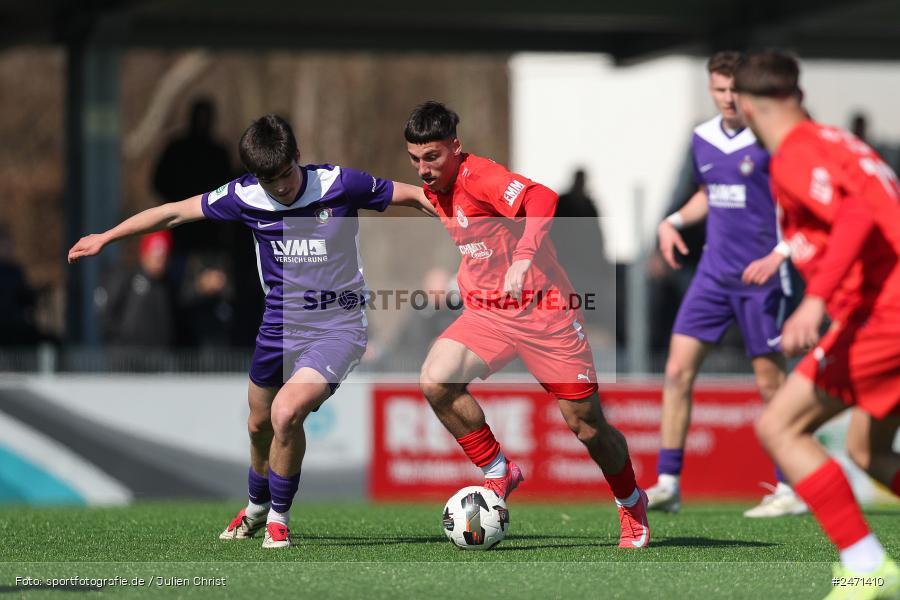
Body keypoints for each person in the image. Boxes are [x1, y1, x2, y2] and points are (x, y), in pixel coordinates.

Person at [69, 114, 435, 549]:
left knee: (286, 413)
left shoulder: (339, 184)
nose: (279, 187)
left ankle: (279, 517)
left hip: (338, 325)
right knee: (260, 423)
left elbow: (412, 194)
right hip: (278, 326)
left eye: (285, 175)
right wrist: (107, 237)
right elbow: (173, 213)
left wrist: (468, 222)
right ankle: (257, 508)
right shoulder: (244, 195)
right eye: (268, 180)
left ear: (297, 157)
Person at [404, 101, 650, 549]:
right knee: (435, 380)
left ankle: (631, 501)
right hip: (488, 314)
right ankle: (499, 472)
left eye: (432, 157)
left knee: (587, 427)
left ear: (455, 148)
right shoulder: (436, 187)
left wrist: (522, 258)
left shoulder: (479, 176)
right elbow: (401, 193)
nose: (423, 169)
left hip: (545, 315)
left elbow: (542, 197)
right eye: (416, 159)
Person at [735, 50, 900, 597]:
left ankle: (866, 564)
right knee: (867, 452)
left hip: (885, 312)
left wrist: (815, 300)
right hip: (881, 308)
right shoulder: (833, 142)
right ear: (798, 96)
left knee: (779, 426)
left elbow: (854, 213)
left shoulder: (795, 155)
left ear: (747, 109)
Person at [645, 51, 805, 518]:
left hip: (762, 279)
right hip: (713, 275)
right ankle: (669, 483)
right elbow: (708, 194)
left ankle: (789, 487)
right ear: (710, 89)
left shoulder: (772, 140)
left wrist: (781, 254)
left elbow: (797, 204)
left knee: (771, 384)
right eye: (718, 89)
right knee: (676, 372)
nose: (727, 98)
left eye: (734, 89)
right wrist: (671, 220)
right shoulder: (702, 139)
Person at [96, 230, 177, 349]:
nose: (160, 262)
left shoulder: (169, 285)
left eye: (163, 257)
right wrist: (119, 341)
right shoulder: (127, 278)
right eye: (156, 255)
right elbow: (108, 313)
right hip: (128, 356)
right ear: (145, 254)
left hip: (159, 356)